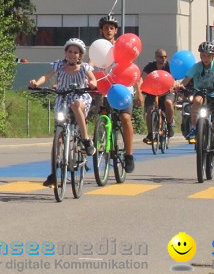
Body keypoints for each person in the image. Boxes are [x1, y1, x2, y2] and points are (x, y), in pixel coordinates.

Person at [28, 38, 98, 187]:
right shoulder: (59, 65)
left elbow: (93, 80)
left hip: (79, 97)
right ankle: (54, 173)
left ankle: (86, 139)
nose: (72, 55)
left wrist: (92, 83)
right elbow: (46, 76)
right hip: (63, 98)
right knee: (57, 139)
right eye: (70, 51)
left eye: (76, 52)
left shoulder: (85, 68)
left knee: (75, 104)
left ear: (80, 55)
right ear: (65, 52)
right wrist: (36, 83)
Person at [175, 41, 214, 170]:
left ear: (213, 56)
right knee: (196, 101)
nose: (206, 58)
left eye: (208, 56)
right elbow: (187, 78)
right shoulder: (197, 67)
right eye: (203, 55)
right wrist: (181, 85)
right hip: (201, 93)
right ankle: (193, 127)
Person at [95, 16, 136, 173]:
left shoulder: (122, 47)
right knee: (101, 116)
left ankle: (129, 155)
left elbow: (133, 69)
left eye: (111, 28)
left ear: (116, 30)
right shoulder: (98, 47)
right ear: (101, 30)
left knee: (125, 118)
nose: (108, 30)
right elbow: (91, 64)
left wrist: (138, 91)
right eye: (106, 28)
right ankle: (101, 142)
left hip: (123, 89)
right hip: (105, 88)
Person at [139, 48, 175, 145]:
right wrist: (141, 88)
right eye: (161, 57)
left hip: (167, 91)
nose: (163, 59)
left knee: (168, 103)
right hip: (152, 91)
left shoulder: (169, 66)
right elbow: (143, 77)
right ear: (156, 57)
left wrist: (173, 86)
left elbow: (174, 78)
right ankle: (150, 133)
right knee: (150, 110)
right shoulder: (150, 66)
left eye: (165, 57)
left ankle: (169, 123)